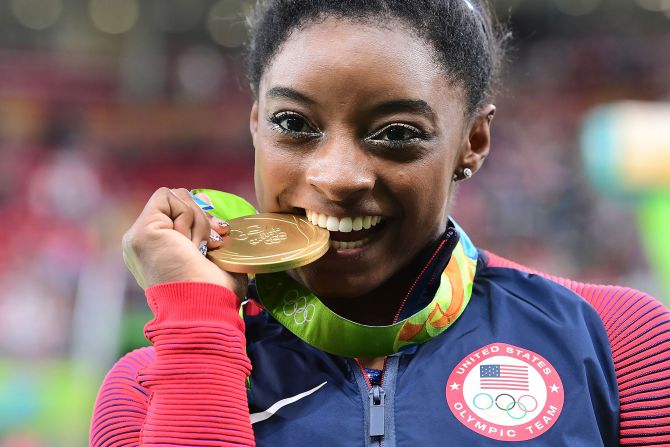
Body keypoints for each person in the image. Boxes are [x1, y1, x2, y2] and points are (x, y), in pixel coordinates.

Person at [89, 0, 670, 445]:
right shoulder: (148, 388)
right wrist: (198, 325)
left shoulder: (619, 342)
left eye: (396, 134)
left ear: (474, 140)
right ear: (255, 126)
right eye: (293, 123)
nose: (337, 177)